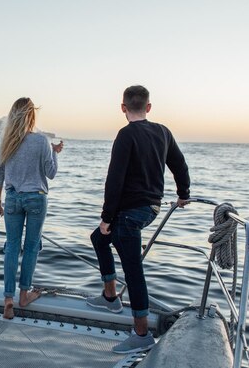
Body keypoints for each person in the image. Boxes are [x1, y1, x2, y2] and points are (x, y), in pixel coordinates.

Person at [87, 85, 190, 354]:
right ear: (148, 107)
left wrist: (106, 217)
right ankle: (110, 296)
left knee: (133, 271)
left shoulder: (125, 135)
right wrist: (183, 194)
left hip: (129, 213)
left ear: (122, 108)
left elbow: (115, 179)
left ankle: (141, 335)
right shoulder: (163, 132)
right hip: (150, 208)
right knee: (98, 238)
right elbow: (179, 164)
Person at [0, 97, 64, 320]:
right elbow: (50, 173)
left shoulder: (6, 141)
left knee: (12, 247)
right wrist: (54, 152)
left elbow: (0, 173)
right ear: (32, 116)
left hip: (12, 198)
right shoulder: (41, 141)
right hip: (36, 198)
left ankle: (8, 299)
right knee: (32, 247)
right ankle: (24, 296)